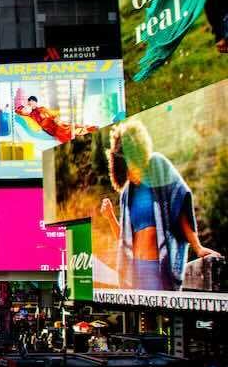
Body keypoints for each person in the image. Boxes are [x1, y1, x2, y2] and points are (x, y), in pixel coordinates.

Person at [100, 120, 222, 291]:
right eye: (125, 170)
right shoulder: (127, 194)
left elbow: (179, 204)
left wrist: (198, 247)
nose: (130, 174)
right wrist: (110, 217)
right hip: (135, 271)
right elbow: (125, 240)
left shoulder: (158, 166)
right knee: (143, 318)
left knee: (164, 316)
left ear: (139, 155)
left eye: (132, 167)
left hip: (157, 268)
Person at [15, 95, 97, 143]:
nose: (31, 105)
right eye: (29, 103)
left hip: (53, 121)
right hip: (48, 125)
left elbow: (52, 114)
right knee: (64, 129)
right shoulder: (30, 113)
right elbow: (19, 111)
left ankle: (87, 129)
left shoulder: (42, 109)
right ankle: (83, 131)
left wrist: (56, 119)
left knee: (67, 124)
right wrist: (23, 110)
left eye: (32, 103)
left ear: (36, 103)